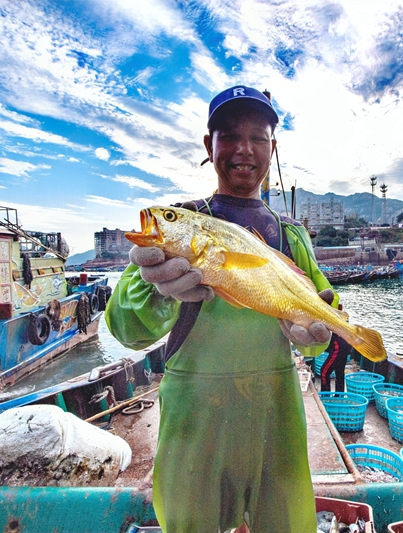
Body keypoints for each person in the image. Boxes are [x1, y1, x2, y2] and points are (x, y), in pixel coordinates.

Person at [105, 85, 338, 533]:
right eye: (228, 135)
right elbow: (124, 328)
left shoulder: (291, 237)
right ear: (209, 146)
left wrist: (317, 333)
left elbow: (321, 312)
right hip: (196, 417)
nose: (243, 149)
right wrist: (159, 291)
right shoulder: (180, 224)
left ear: (273, 147)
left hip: (277, 413)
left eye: (258, 137)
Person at [319, 305, 352, 393]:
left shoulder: (325, 313)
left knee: (324, 372)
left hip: (339, 344)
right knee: (339, 371)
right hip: (346, 342)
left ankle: (326, 395)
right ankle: (339, 395)